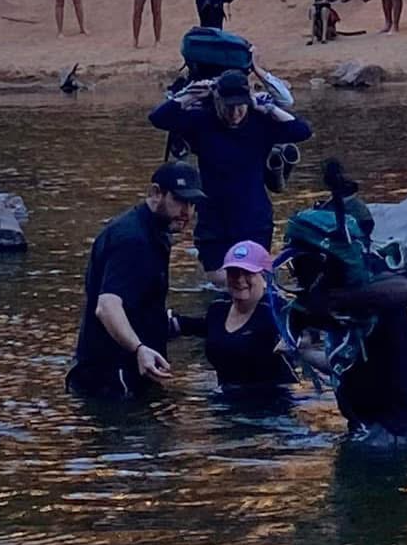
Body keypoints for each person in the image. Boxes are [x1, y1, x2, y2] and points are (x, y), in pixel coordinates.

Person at [283, 162, 407, 445]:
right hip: (369, 431)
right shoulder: (333, 302)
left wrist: (335, 300)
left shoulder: (375, 287)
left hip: (398, 435)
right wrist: (303, 352)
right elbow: (347, 363)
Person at [150, 69, 312, 284]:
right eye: (229, 107)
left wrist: (267, 107)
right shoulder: (203, 122)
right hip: (213, 218)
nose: (235, 113)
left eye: (240, 106)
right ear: (217, 100)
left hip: (253, 217)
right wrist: (192, 94)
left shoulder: (260, 122)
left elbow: (302, 130)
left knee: (253, 280)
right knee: (219, 280)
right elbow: (159, 118)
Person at [67, 161, 208, 400]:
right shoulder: (134, 240)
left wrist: (189, 326)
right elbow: (107, 306)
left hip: (123, 370)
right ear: (155, 193)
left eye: (192, 204)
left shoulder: (149, 232)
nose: (187, 212)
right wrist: (139, 348)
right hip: (113, 376)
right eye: (180, 201)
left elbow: (139, 304)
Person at [188, 240, 297, 392]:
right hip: (224, 397)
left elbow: (308, 329)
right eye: (233, 272)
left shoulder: (277, 311)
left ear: (265, 277)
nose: (239, 279)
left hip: (272, 402)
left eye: (248, 273)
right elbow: (198, 327)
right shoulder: (218, 309)